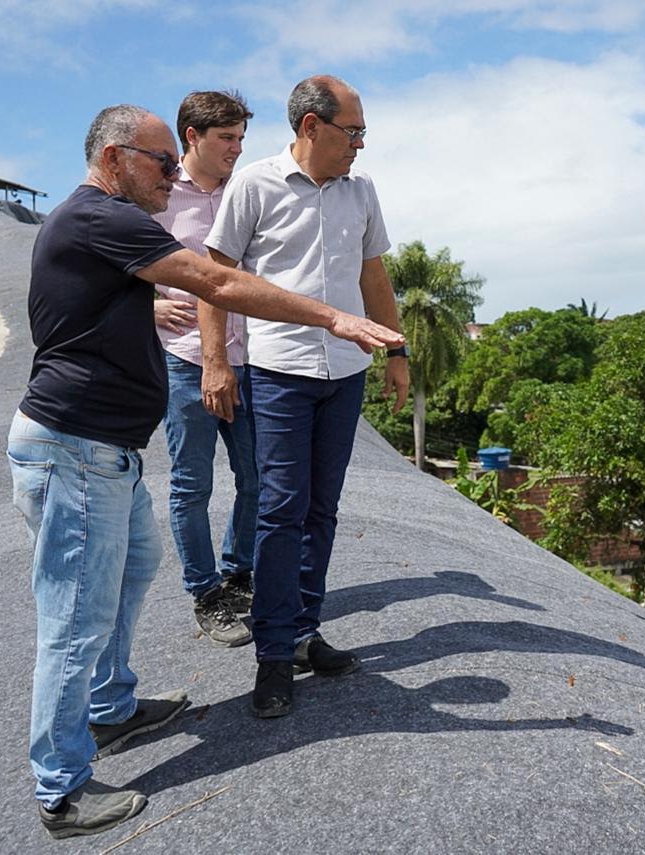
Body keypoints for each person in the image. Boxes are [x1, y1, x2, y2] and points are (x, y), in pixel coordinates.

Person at [8, 103, 402, 839]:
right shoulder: (103, 215)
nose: (173, 176)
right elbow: (215, 282)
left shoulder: (98, 225)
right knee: (74, 618)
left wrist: (145, 306)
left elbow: (97, 302)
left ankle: (112, 708)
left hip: (104, 450)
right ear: (116, 158)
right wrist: (330, 317)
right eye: (162, 161)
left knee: (130, 574)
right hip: (74, 448)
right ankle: (61, 788)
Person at [205, 75, 409, 720]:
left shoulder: (363, 191)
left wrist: (397, 354)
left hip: (344, 371)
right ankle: (272, 654)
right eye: (352, 132)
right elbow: (214, 276)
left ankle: (303, 632)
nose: (360, 145)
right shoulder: (255, 184)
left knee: (323, 508)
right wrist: (216, 360)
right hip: (279, 370)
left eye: (363, 134)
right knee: (280, 508)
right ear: (311, 126)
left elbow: (372, 272)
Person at [152, 91, 257, 647]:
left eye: (241, 139)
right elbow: (109, 259)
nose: (237, 150)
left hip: (248, 358)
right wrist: (146, 305)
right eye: (227, 139)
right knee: (192, 484)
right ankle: (206, 592)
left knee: (259, 477)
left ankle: (240, 576)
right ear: (192, 137)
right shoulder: (161, 196)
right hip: (185, 361)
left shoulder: (247, 191)